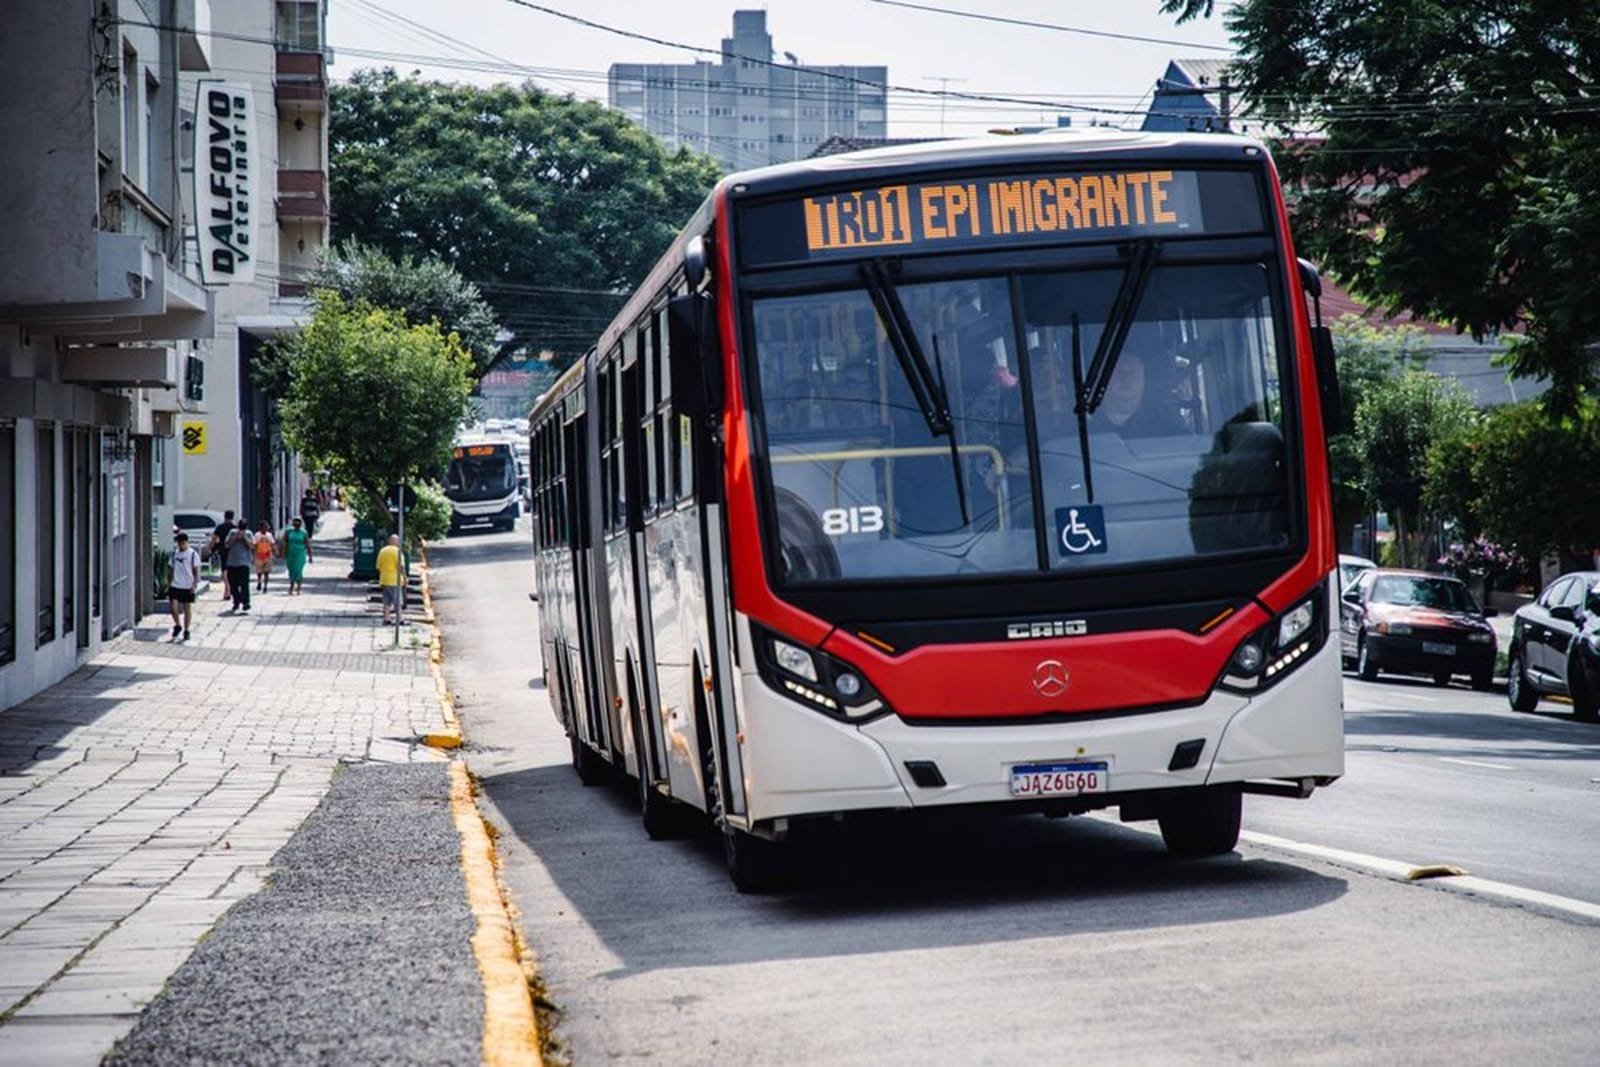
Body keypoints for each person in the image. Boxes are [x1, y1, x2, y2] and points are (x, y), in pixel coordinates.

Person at [168, 531, 201, 641]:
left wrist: (195, 583)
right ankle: (177, 624)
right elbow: (171, 568)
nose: (180, 545)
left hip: (187, 585)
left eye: (182, 543)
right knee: (173, 605)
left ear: (186, 542)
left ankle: (186, 629)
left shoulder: (192, 554)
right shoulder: (175, 554)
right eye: (178, 543)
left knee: (187, 608)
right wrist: (169, 581)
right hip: (176, 584)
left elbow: (196, 570)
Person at [224, 518, 254, 613]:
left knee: (244, 584)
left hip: (244, 563)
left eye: (243, 528)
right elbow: (226, 545)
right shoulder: (232, 532)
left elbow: (252, 546)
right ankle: (236, 601)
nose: (241, 530)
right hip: (232, 563)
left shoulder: (249, 533)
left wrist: (244, 537)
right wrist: (235, 537)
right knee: (233, 584)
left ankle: (245, 602)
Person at [376, 533, 404, 625]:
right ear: (397, 542)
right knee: (397, 601)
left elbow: (378, 566)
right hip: (394, 580)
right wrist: (405, 577)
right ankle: (399, 619)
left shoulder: (382, 551)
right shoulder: (397, 551)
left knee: (386, 601)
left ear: (389, 541)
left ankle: (386, 618)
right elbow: (400, 566)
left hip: (384, 579)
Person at [209, 509, 236, 601]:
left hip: (223, 550)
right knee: (231, 570)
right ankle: (228, 589)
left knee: (224, 569)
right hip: (233, 551)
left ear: (225, 517)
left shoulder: (220, 527)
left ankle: (227, 589)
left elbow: (214, 538)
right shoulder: (234, 528)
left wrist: (210, 548)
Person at [281, 515, 312, 596]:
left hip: (300, 554)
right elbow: (284, 541)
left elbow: (308, 544)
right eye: (295, 521)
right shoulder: (288, 531)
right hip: (290, 553)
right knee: (291, 570)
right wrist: (283, 551)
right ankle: (291, 585)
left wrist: (310, 556)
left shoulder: (304, 532)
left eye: (298, 521)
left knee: (298, 570)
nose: (297, 523)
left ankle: (298, 587)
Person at [252, 520, 276, 593]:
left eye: (266, 527)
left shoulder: (269, 535)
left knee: (266, 572)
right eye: (264, 527)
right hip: (259, 556)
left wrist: (275, 552)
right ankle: (259, 581)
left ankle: (265, 586)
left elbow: (272, 544)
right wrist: (254, 556)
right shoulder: (257, 535)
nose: (266, 528)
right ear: (261, 527)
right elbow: (254, 545)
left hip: (268, 555)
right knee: (259, 571)